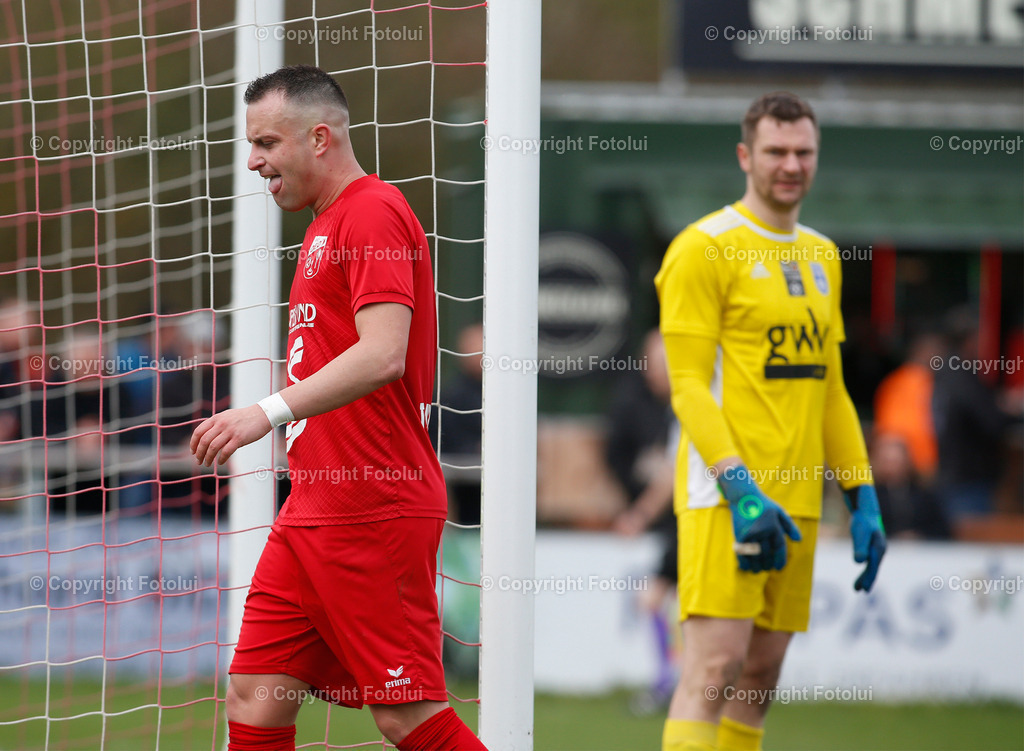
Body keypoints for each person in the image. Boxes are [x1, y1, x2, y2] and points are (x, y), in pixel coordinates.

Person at [189, 65, 485, 751]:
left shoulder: (373, 210)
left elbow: (384, 352)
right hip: (316, 505)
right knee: (258, 695)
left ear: (319, 137)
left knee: (405, 714)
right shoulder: (327, 224)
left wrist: (265, 411)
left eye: (266, 142)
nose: (254, 159)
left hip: (373, 502)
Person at [653, 91, 886, 751]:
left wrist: (862, 492)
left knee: (759, 676)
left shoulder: (822, 255)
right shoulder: (702, 247)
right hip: (726, 496)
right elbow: (689, 385)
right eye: (776, 151)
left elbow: (832, 389)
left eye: (803, 151)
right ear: (744, 155)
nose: (791, 164)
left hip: (799, 498)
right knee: (714, 667)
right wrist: (738, 487)